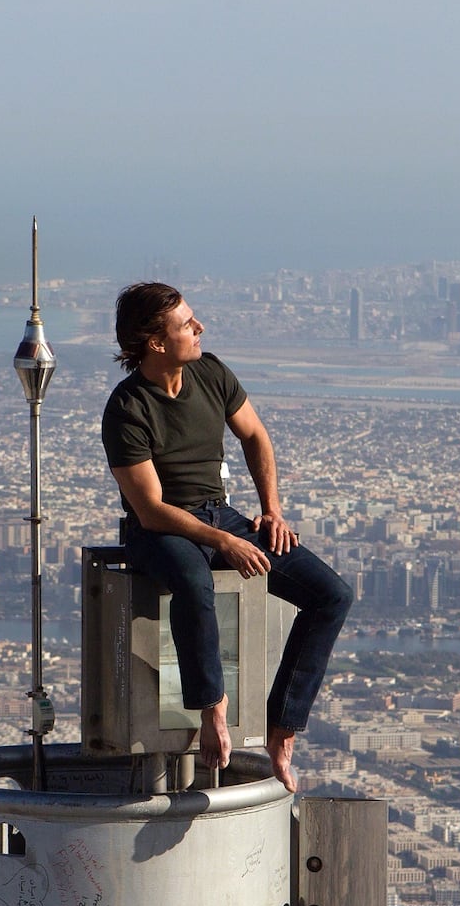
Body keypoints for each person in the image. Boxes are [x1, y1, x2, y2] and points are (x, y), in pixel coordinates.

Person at [101, 282, 352, 791]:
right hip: (161, 530)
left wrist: (271, 513)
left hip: (222, 516)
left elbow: (255, 435)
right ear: (155, 341)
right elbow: (151, 510)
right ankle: (213, 708)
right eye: (187, 324)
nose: (200, 329)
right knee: (193, 583)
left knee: (331, 595)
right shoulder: (128, 408)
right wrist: (222, 542)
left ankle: (284, 726)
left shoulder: (210, 373)